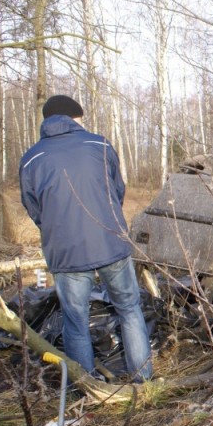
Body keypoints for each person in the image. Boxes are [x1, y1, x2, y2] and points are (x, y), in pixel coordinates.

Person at [19, 95, 152, 382]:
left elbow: (34, 209)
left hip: (66, 252)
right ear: (75, 118)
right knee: (129, 309)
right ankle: (144, 380)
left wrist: (58, 229)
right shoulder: (99, 144)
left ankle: (87, 387)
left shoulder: (32, 158)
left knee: (75, 322)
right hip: (110, 242)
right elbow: (117, 192)